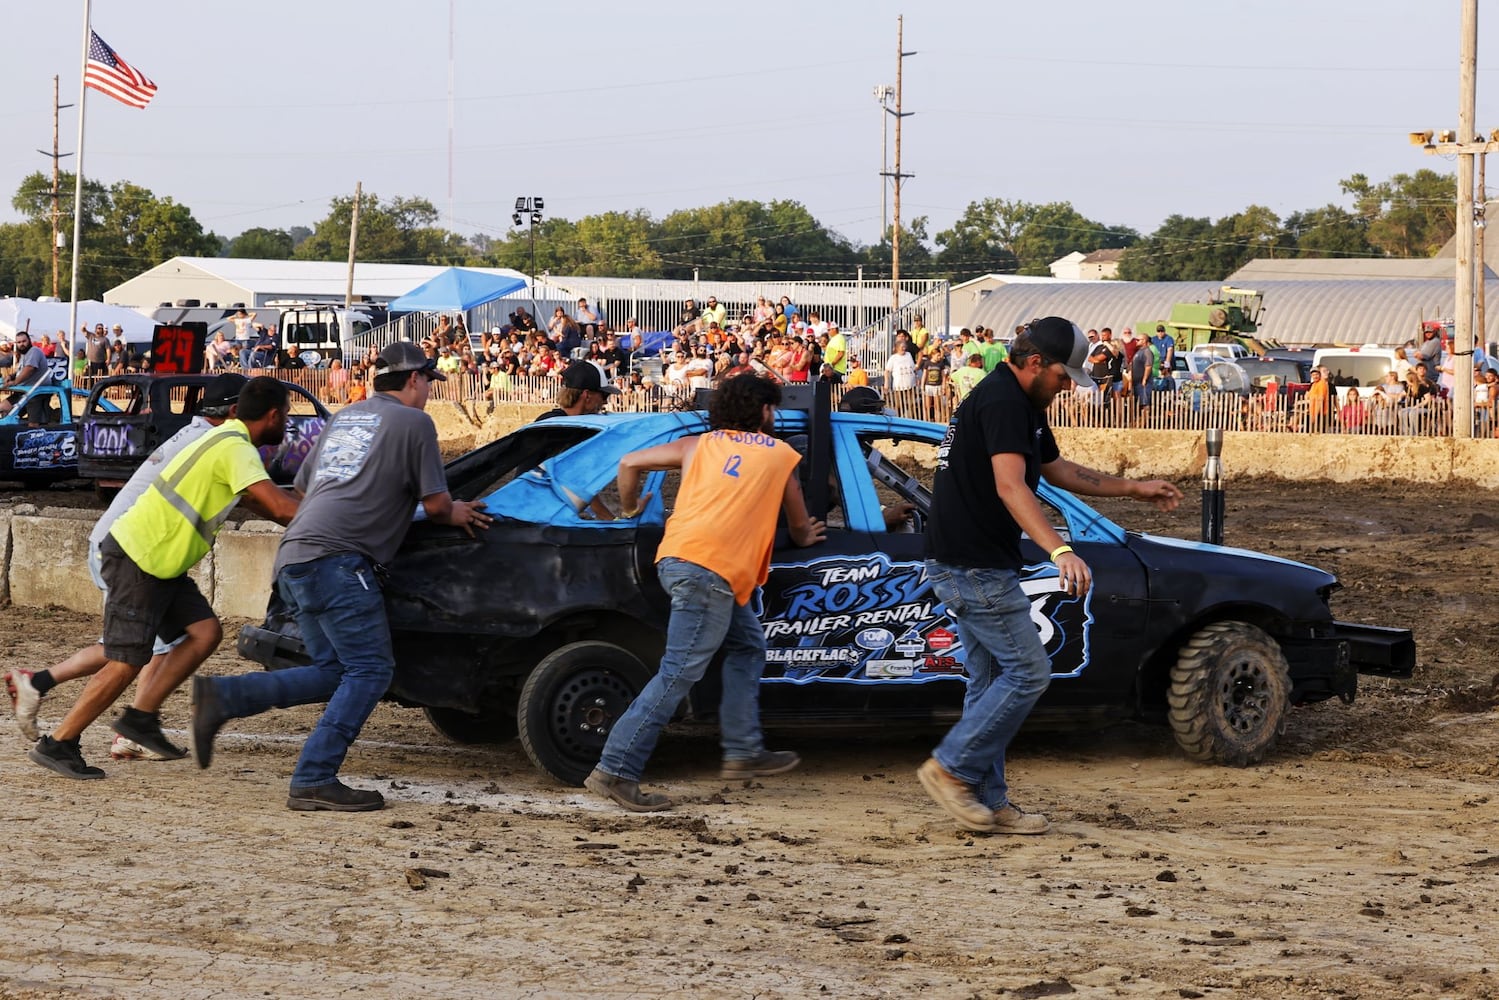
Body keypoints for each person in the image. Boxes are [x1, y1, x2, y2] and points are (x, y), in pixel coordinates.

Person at [189, 342, 493, 812]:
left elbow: (306, 487)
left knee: (334, 671)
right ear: (413, 379)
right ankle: (314, 776)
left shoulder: (344, 417)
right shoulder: (415, 423)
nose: (430, 390)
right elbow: (436, 506)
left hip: (294, 557)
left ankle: (226, 695)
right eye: (429, 380)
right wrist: (457, 512)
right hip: (339, 563)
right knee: (371, 670)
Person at [917, 317, 1182, 834]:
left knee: (991, 681)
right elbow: (1012, 487)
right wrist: (1060, 548)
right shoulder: (1002, 404)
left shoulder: (1021, 405)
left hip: (971, 561)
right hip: (974, 566)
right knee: (1029, 673)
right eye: (1064, 377)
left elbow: (1054, 471)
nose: (1067, 387)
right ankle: (951, 768)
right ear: (1036, 362)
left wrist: (1134, 489)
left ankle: (988, 800)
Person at [26, 377, 301, 780]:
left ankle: (140, 718)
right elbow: (279, 506)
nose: (287, 424)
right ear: (273, 415)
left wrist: (314, 508)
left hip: (158, 560)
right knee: (126, 661)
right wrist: (337, 520)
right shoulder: (236, 447)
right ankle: (60, 742)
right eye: (287, 416)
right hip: (142, 557)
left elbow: (269, 505)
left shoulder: (224, 439)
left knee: (205, 632)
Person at [585, 374, 826, 811]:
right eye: (772, 408)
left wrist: (631, 508)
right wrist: (807, 536)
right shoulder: (783, 455)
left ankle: (743, 749)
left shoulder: (699, 445)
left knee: (748, 646)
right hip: (713, 571)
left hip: (678, 559)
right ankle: (616, 769)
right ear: (765, 412)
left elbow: (627, 465)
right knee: (677, 673)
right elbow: (798, 523)